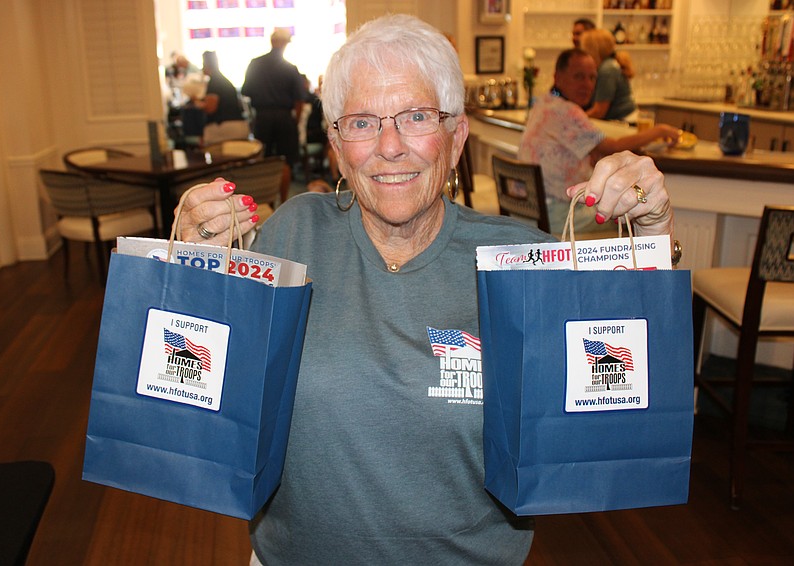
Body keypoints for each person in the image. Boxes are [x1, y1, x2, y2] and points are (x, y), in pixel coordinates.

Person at [175, 15, 676, 565]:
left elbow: (629, 387)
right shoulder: (293, 233)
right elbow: (210, 388)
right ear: (337, 145)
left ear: (456, 137)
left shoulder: (519, 262)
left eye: (416, 117)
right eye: (361, 122)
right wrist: (197, 265)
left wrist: (653, 231)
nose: (390, 146)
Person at [518, 47, 680, 233]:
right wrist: (660, 130)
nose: (587, 84)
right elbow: (614, 147)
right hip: (556, 214)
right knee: (628, 217)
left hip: (530, 209)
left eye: (592, 78)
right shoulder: (567, 111)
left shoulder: (544, 102)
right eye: (579, 76)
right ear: (558, 77)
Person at [242, 28, 306, 169]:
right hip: (284, 119)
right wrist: (295, 121)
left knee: (262, 159)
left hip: (263, 118)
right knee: (286, 161)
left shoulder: (255, 64)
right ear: (285, 44)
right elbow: (299, 99)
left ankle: (265, 182)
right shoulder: (290, 68)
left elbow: (246, 91)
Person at [580, 29, 637, 122]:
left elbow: (599, 111)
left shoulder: (607, 70)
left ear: (592, 49)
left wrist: (576, 119)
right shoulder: (609, 64)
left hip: (623, 122)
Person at [196, 51, 249, 144]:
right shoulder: (222, 80)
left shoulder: (215, 81)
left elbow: (211, 108)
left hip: (225, 126)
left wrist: (197, 103)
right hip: (238, 125)